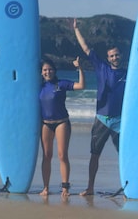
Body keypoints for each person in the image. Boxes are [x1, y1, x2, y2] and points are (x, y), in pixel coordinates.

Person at [73, 18, 127, 196]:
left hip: (121, 121)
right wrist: (76, 30)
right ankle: (90, 187)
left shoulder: (130, 72)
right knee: (95, 155)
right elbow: (86, 48)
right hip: (102, 119)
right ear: (108, 57)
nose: (114, 57)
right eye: (111, 55)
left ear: (121, 56)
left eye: (117, 55)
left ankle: (129, 186)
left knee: (125, 156)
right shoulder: (101, 67)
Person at [39, 57, 85, 197]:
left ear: (55, 70)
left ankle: (65, 188)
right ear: (41, 72)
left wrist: (80, 68)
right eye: (45, 70)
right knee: (46, 156)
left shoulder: (61, 83)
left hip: (62, 122)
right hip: (46, 123)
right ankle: (45, 187)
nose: (48, 72)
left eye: (50, 69)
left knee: (62, 155)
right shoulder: (38, 86)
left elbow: (81, 86)